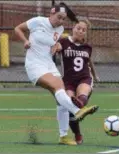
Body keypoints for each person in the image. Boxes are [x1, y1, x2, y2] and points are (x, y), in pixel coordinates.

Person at [14, 4, 99, 145]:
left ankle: (63, 136)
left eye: (63, 19)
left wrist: (56, 46)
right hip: (35, 65)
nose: (60, 21)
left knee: (61, 99)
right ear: (52, 13)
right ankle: (78, 110)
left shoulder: (60, 29)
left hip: (49, 64)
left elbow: (56, 43)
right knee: (57, 87)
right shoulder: (37, 21)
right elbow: (17, 29)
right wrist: (25, 41)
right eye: (59, 17)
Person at [52, 18, 100, 144]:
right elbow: (57, 47)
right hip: (68, 81)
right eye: (78, 28)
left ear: (86, 33)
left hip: (84, 77)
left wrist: (95, 75)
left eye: (83, 30)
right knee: (69, 108)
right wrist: (56, 47)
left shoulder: (87, 47)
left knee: (82, 95)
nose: (80, 31)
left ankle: (79, 102)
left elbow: (89, 61)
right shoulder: (64, 41)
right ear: (73, 29)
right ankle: (78, 134)